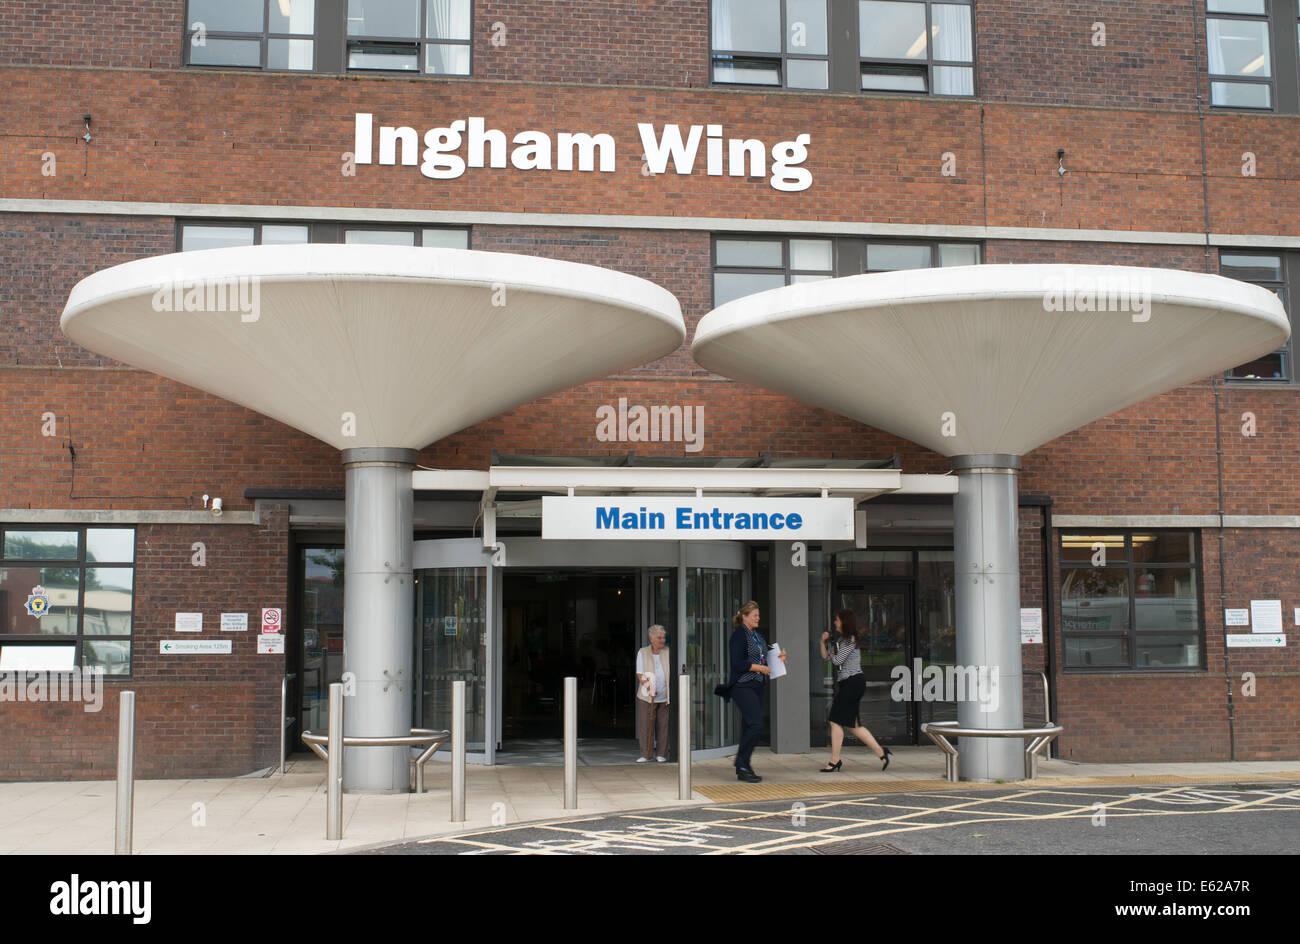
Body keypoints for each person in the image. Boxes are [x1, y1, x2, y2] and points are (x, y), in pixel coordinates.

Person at [819, 609, 892, 772]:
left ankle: (834, 760)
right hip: (850, 684)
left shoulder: (849, 640)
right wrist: (822, 643)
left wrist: (832, 654)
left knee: (835, 720)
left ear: (844, 622)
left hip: (853, 683)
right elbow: (826, 658)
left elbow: (837, 660)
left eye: (837, 620)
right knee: (854, 726)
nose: (835, 623)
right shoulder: (842, 640)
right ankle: (882, 753)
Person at [726, 601, 785, 783]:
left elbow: (764, 655)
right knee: (756, 724)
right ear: (744, 617)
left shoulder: (758, 635)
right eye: (754, 616)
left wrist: (778, 657)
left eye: (758, 615)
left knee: (749, 725)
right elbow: (738, 663)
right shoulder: (738, 636)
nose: (758, 618)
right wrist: (759, 668)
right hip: (742, 685)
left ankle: (744, 765)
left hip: (757, 685)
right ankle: (741, 762)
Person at [635, 625, 672, 763]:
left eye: (663, 637)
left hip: (664, 696)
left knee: (664, 725)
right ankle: (646, 754)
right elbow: (640, 673)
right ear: (651, 638)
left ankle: (661, 753)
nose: (663, 640)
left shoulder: (668, 651)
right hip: (646, 696)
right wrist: (649, 686)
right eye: (659, 637)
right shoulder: (643, 652)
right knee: (646, 726)